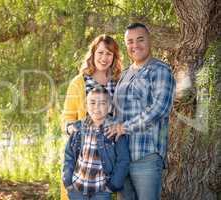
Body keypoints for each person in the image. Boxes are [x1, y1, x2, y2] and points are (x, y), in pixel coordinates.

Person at [106, 23, 176, 200]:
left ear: (149, 41)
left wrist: (124, 128)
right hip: (122, 158)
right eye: (130, 41)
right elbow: (114, 111)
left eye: (140, 39)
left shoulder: (160, 70)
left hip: (145, 156)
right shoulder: (125, 74)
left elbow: (160, 108)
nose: (134, 45)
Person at [61, 34, 122, 200]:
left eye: (109, 54)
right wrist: (71, 128)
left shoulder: (118, 82)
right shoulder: (79, 82)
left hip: (107, 161)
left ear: (114, 57)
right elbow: (66, 118)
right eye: (100, 53)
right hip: (82, 159)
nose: (104, 58)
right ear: (93, 54)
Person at [63, 87, 129, 200]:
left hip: (101, 191)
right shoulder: (79, 128)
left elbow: (123, 160)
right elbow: (69, 155)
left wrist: (113, 186)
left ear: (109, 108)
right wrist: (67, 181)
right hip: (76, 189)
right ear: (87, 106)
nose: (97, 107)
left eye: (102, 103)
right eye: (92, 102)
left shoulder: (114, 130)